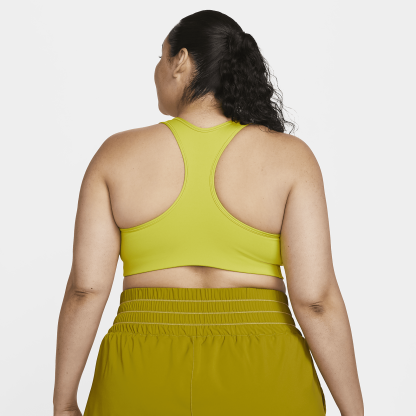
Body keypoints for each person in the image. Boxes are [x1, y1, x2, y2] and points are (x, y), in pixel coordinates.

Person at [53, 10, 364, 416]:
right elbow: (316, 300)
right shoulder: (290, 158)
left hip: (141, 367)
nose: (156, 69)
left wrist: (63, 402)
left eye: (160, 57)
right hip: (265, 368)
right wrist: (354, 411)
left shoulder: (116, 155)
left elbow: (86, 290)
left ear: (180, 61)